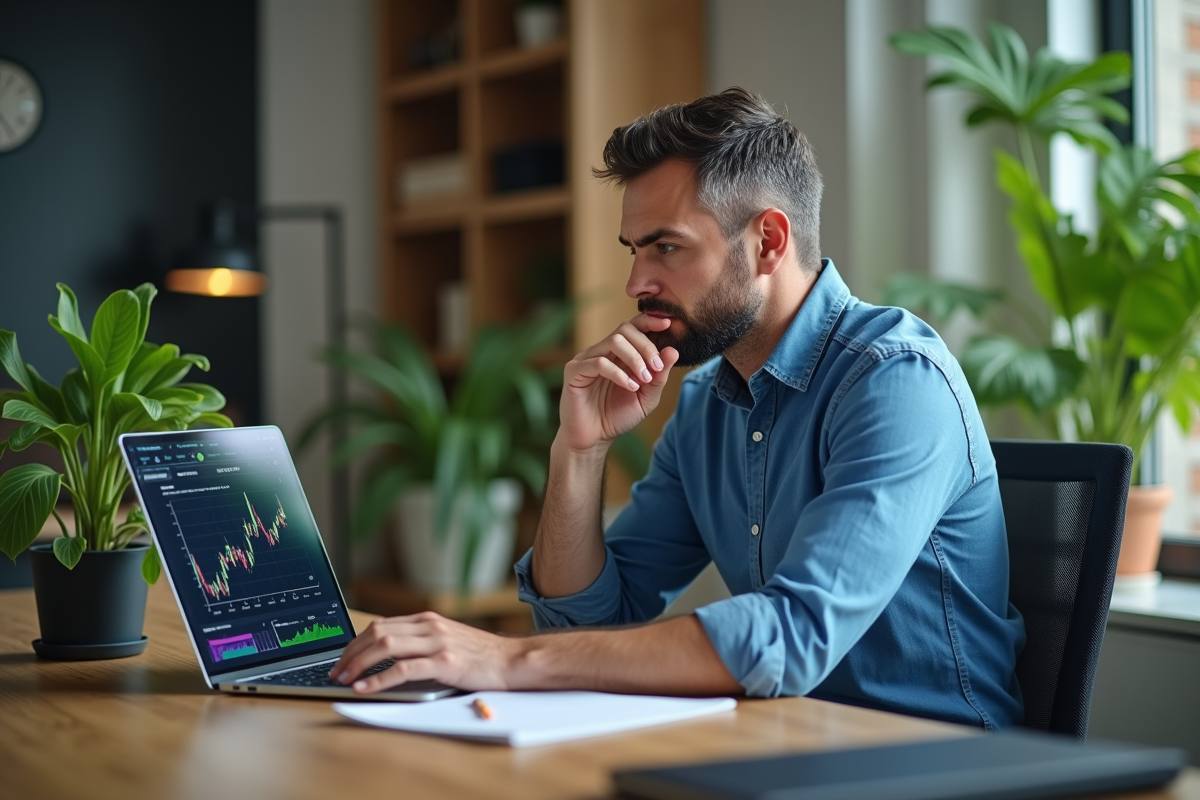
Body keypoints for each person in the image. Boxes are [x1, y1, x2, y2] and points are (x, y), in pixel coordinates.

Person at [330, 87, 1026, 729]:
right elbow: (586, 628)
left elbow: (792, 635)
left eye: (667, 247)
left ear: (769, 242)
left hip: (935, 760)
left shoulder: (895, 382)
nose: (636, 281)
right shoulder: (707, 404)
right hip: (787, 743)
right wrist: (579, 452)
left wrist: (503, 660)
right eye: (636, 249)